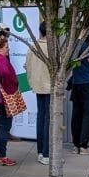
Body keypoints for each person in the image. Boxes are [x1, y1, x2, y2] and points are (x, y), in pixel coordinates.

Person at [0, 31, 19, 166]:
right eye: (6, 47)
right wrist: (13, 84)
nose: (8, 49)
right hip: (4, 97)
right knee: (5, 127)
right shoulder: (2, 60)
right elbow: (6, 74)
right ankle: (2, 156)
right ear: (0, 48)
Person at [26, 22, 53, 165]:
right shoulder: (51, 48)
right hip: (49, 87)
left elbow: (27, 65)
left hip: (37, 86)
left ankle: (41, 152)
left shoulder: (33, 47)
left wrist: (31, 81)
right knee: (48, 119)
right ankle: (46, 153)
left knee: (41, 117)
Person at [68, 35, 89, 154]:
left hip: (76, 83)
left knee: (76, 115)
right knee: (88, 114)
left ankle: (76, 145)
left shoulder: (71, 45)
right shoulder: (84, 45)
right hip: (87, 83)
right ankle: (84, 145)